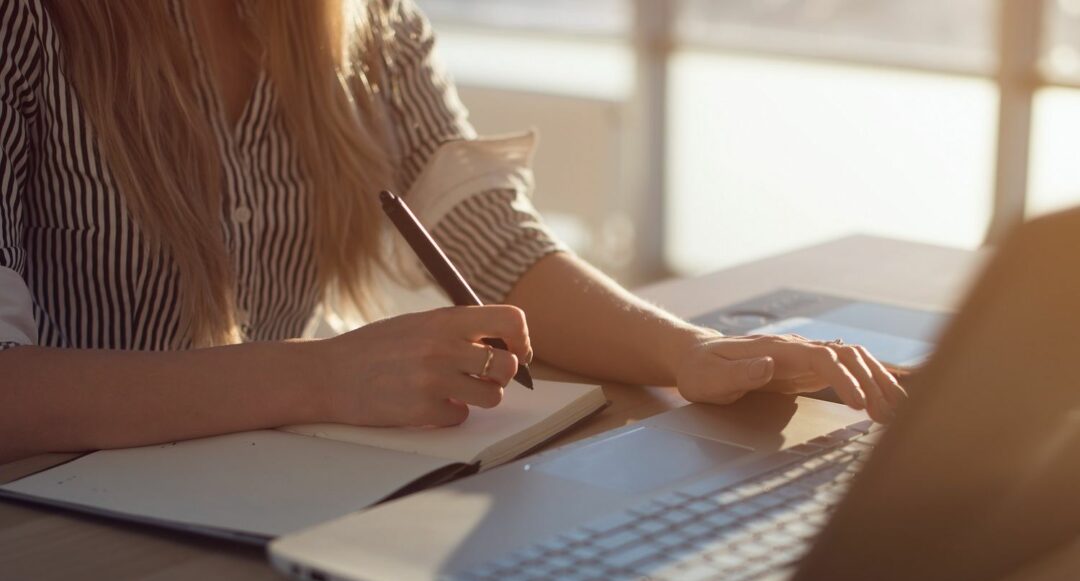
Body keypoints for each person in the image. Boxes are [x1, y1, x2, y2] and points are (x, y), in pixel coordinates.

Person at [0, 0, 904, 464]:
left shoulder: (360, 22)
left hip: (269, 498)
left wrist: (694, 352)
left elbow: (496, 246)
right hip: (57, 532)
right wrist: (322, 375)